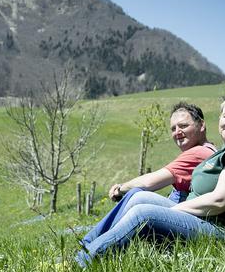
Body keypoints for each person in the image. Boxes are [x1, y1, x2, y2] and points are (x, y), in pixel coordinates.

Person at [75, 90, 225, 267]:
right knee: (137, 197)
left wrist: (172, 210)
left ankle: (82, 263)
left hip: (223, 230)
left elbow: (221, 201)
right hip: (204, 218)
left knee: (144, 214)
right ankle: (86, 247)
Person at [78, 102, 216, 250]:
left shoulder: (199, 153)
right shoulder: (210, 150)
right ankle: (92, 244)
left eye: (183, 126)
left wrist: (120, 188)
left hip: (197, 222)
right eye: (173, 128)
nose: (177, 132)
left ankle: (88, 248)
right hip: (193, 215)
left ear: (201, 125)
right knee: (137, 195)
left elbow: (150, 182)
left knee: (137, 195)